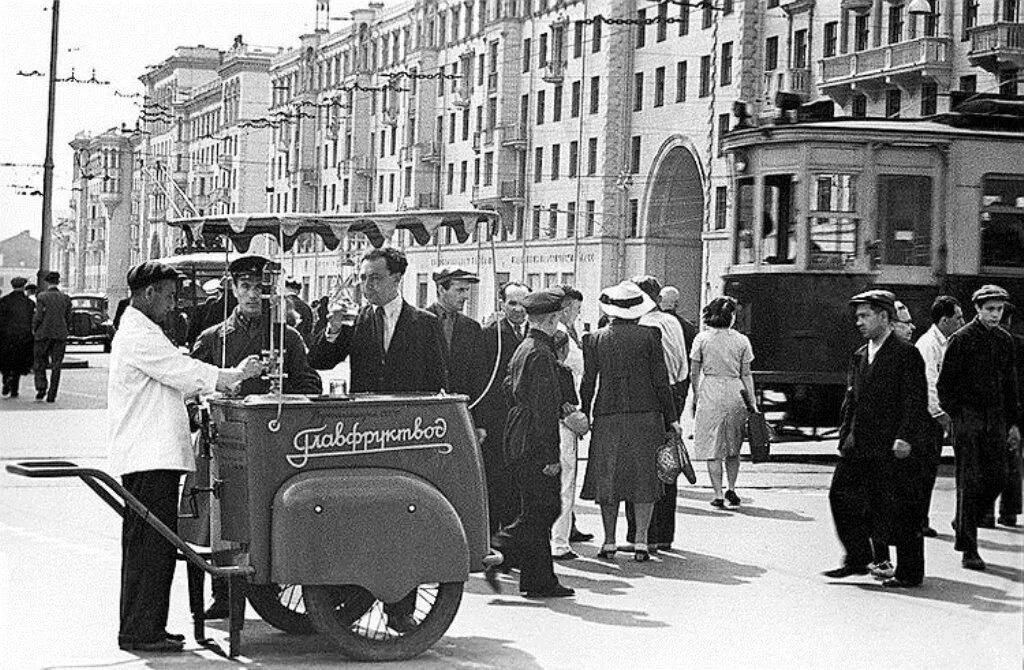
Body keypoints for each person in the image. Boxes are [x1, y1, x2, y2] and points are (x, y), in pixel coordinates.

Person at [108, 260, 261, 653]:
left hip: (151, 454)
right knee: (150, 549)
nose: (173, 305)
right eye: (170, 296)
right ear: (148, 294)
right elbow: (180, 370)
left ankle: (145, 626)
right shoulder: (139, 334)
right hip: (149, 456)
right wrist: (233, 375)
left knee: (151, 547)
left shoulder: (143, 329)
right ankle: (141, 630)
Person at [307, 246, 446, 633]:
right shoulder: (356, 322)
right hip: (364, 435)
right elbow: (319, 360)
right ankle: (349, 600)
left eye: (374, 278)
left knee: (405, 522)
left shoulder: (424, 323)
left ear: (397, 280)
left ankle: (400, 610)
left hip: (407, 437)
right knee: (360, 517)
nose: (366, 285)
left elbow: (438, 382)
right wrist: (332, 328)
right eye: (363, 277)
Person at [189, 255, 322, 618]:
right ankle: (223, 594)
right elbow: (190, 391)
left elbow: (310, 383)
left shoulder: (286, 336)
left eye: (260, 288)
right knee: (219, 520)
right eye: (245, 287)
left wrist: (283, 394)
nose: (252, 295)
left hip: (272, 445)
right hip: (224, 444)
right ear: (233, 289)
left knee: (265, 518)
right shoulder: (213, 338)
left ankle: (270, 589)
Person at [825, 290, 928, 588]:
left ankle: (910, 572)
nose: (859, 322)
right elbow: (851, 401)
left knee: (897, 507)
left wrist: (906, 437)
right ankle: (858, 557)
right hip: (860, 444)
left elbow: (914, 400)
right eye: (857, 317)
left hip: (892, 445)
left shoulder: (905, 353)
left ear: (884, 317)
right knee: (840, 496)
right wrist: (845, 435)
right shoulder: (860, 355)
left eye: (865, 316)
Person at [580, 281, 680, 562]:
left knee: (608, 477)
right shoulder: (650, 336)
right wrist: (672, 418)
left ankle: (609, 541)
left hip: (607, 415)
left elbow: (589, 382)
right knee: (644, 479)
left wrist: (585, 412)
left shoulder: (594, 339)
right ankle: (641, 541)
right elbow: (661, 382)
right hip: (646, 414)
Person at [495, 287, 575, 597]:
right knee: (543, 508)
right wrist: (552, 457)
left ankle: (538, 579)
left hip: (517, 434)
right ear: (553, 319)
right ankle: (499, 549)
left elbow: (506, 387)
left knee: (535, 507)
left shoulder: (525, 347)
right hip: (533, 440)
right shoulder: (542, 354)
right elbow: (544, 411)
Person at [938, 285, 1021, 571]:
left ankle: (964, 520)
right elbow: (944, 385)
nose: (996, 315)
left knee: (999, 477)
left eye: (999, 310)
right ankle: (969, 549)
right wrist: (957, 418)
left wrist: (1014, 424)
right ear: (978, 309)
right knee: (969, 482)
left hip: (996, 419)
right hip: (969, 419)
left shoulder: (1004, 341)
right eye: (990, 309)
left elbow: (1011, 386)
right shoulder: (961, 340)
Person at [627, 275, 688, 552]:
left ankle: (640, 535)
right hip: (673, 394)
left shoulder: (643, 325)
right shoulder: (671, 322)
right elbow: (681, 369)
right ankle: (664, 533)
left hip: (648, 399)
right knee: (667, 465)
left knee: (640, 467)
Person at [476, 281, 532, 534]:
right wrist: (482, 423)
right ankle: (493, 539)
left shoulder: (536, 333)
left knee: (522, 484)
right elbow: (481, 382)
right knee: (498, 482)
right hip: (498, 421)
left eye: (523, 303)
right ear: (502, 304)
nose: (519, 309)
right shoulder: (490, 335)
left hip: (526, 421)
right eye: (512, 303)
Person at [690, 296, 756, 508]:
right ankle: (732, 489)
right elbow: (747, 374)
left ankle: (717, 494)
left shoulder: (702, 339)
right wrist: (751, 402)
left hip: (711, 390)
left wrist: (695, 395)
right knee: (733, 445)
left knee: (713, 446)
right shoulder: (741, 341)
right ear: (732, 317)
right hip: (735, 390)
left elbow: (694, 371)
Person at [914, 295, 964, 537]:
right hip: (926, 418)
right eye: (958, 317)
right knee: (924, 472)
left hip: (932, 417)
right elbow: (929, 383)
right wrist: (941, 415)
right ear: (944, 320)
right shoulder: (929, 345)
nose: (962, 321)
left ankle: (920, 519)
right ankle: (918, 521)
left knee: (928, 471)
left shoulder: (944, 341)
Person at [550, 286, 588, 560]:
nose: (578, 313)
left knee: (566, 479)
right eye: (576, 308)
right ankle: (559, 541)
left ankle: (563, 532)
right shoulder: (561, 336)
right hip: (564, 416)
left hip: (570, 414)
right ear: (565, 309)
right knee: (565, 479)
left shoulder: (570, 334)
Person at [425, 266, 486, 403]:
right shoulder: (419, 322)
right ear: (441, 289)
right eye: (460, 290)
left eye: (467, 290)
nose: (465, 296)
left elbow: (479, 377)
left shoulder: (472, 328)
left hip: (461, 409)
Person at [986, 302, 1023, 527]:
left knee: (987, 465)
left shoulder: (982, 341)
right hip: (1014, 410)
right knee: (1011, 463)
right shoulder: (1019, 344)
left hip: (990, 411)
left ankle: (985, 513)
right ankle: (1008, 511)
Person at [31, 270, 72, 403]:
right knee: (56, 365)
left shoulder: (42, 297)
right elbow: (68, 318)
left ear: (47, 282)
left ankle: (41, 387)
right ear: (58, 282)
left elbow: (38, 317)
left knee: (39, 362)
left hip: (43, 334)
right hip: (60, 334)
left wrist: (34, 329)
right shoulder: (65, 298)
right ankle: (52, 394)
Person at [0, 277, 35, 398]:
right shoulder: (30, 303)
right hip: (24, 337)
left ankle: (5, 379)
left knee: (5, 361)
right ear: (24, 287)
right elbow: (32, 321)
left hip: (6, 336)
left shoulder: (4, 300)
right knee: (18, 364)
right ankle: (14, 388)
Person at [284, 277, 314, 345]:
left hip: (284, 341)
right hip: (302, 342)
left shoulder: (281, 304)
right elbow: (309, 328)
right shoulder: (306, 307)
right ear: (298, 291)